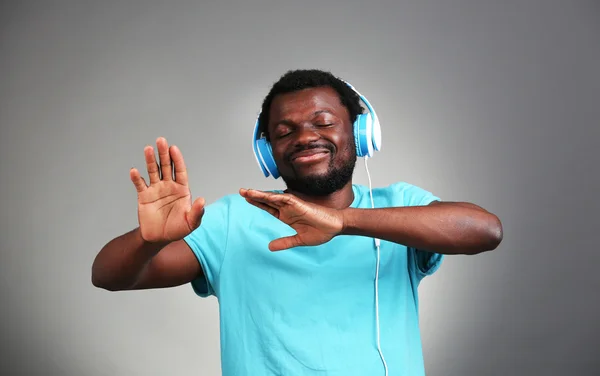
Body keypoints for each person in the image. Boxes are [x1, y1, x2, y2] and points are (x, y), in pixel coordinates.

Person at [92, 69, 503, 376]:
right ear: (268, 152)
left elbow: (485, 230)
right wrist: (148, 241)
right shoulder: (232, 219)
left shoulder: (398, 207)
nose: (305, 136)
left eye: (323, 122)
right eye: (285, 131)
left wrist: (343, 221)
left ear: (359, 132)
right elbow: (108, 276)